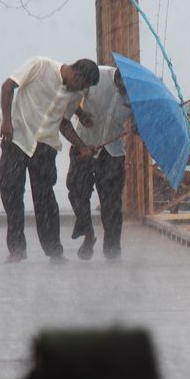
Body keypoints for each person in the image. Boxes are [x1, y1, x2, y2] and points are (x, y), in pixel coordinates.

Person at [0, 57, 100, 263]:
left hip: (45, 148)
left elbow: (64, 124)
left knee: (45, 202)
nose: (81, 90)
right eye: (82, 84)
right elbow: (8, 86)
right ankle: (17, 249)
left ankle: (54, 251)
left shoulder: (75, 93)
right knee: (12, 196)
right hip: (17, 140)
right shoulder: (40, 66)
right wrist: (7, 121)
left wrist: (82, 146)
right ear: (75, 73)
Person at [67, 65, 133, 260]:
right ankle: (88, 233)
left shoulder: (135, 94)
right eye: (122, 87)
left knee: (111, 204)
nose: (124, 92)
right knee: (76, 192)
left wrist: (137, 127)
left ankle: (112, 251)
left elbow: (138, 121)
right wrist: (80, 114)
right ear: (118, 76)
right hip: (84, 144)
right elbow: (71, 101)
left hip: (112, 153)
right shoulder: (97, 76)